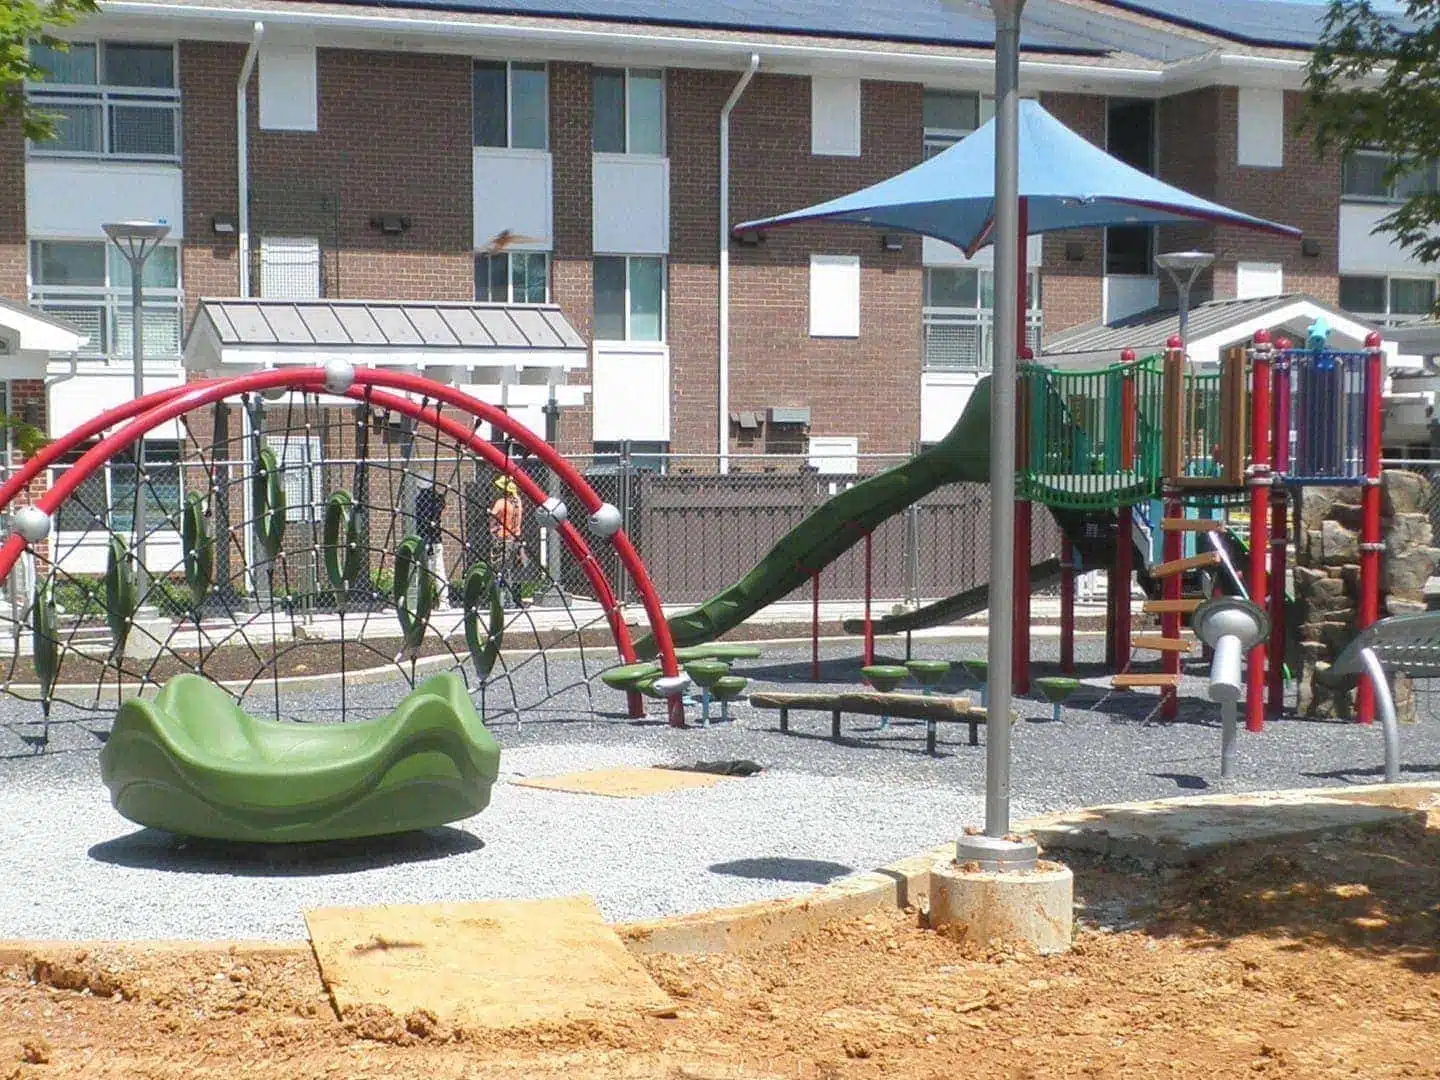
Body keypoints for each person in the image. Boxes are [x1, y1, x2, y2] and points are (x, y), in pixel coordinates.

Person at [489, 475, 526, 605]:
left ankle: (500, 600)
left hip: (502, 539)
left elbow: (492, 516)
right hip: (515, 538)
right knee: (508, 570)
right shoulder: (518, 501)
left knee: (498, 570)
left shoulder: (501, 502)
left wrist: (493, 529)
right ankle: (509, 600)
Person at [415, 475, 449, 607]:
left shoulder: (418, 501)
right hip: (435, 538)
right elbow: (442, 505)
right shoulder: (437, 499)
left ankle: (423, 601)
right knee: (439, 569)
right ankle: (443, 601)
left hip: (422, 539)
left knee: (423, 571)